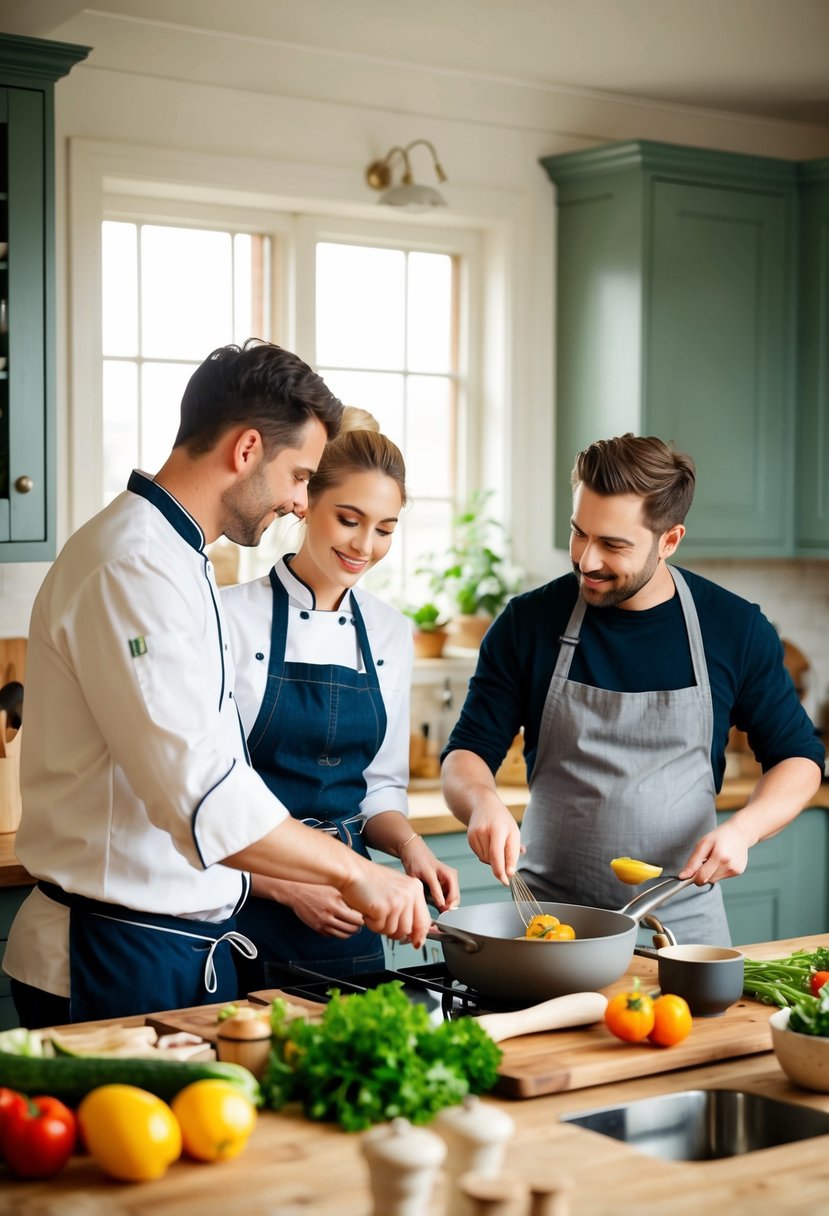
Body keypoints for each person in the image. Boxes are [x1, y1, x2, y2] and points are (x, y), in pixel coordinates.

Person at [4, 341, 431, 1026]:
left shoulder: (178, 558)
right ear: (246, 449)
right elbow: (200, 791)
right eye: (298, 476)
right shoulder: (133, 566)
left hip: (166, 946)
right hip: (111, 954)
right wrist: (354, 871)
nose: (299, 502)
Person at [441, 434, 825, 944]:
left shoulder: (734, 628)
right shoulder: (528, 622)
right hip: (551, 923)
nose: (587, 560)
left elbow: (799, 760)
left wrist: (745, 829)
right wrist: (481, 801)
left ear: (669, 541)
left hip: (682, 923)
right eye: (580, 533)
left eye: (614, 545)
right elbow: (465, 753)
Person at [222, 409, 459, 989]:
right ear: (306, 503)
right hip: (243, 908)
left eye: (385, 528)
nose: (365, 546)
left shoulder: (388, 631)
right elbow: (204, 798)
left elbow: (377, 787)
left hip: (352, 918)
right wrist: (286, 883)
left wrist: (410, 848)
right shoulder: (228, 618)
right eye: (349, 519)